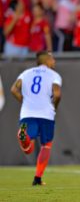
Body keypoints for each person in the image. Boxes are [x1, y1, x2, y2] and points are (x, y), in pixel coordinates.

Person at [10, 51, 62, 185]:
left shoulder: (26, 73)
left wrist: (24, 100)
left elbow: (13, 90)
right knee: (46, 146)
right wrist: (54, 107)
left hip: (27, 112)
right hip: (46, 114)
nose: (54, 61)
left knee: (28, 149)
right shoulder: (54, 75)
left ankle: (24, 138)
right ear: (47, 60)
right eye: (52, 59)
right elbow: (57, 94)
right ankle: (37, 178)